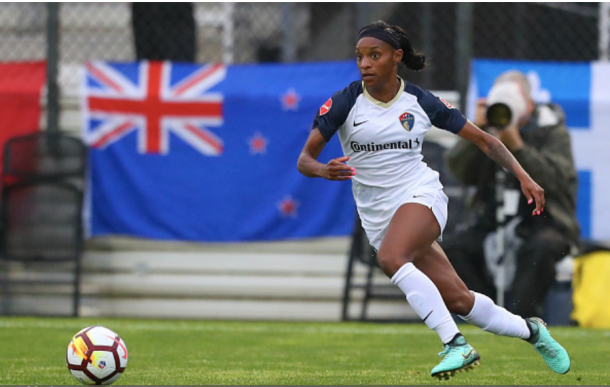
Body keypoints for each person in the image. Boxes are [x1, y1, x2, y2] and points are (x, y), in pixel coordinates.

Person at [296, 20, 571, 380]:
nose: (364, 64)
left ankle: (455, 344)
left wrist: (524, 176)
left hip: (420, 195)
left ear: (396, 57)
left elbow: (486, 140)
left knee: (392, 258)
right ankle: (533, 332)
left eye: (374, 56)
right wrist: (322, 170)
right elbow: (304, 160)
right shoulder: (344, 103)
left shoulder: (420, 102)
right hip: (378, 216)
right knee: (460, 300)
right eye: (360, 56)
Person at [443, 71, 580, 318]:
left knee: (542, 247)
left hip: (545, 221)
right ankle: (488, 315)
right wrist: (474, 132)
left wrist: (518, 147)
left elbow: (558, 182)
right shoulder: (486, 133)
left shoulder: (552, 132)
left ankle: (520, 318)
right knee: (454, 248)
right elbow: (460, 171)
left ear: (529, 105)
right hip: (492, 220)